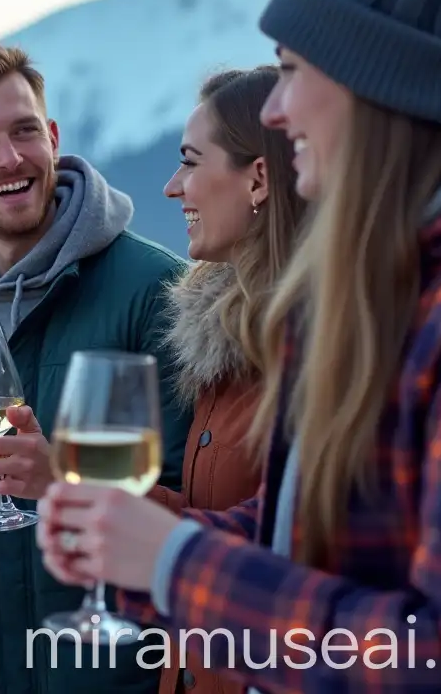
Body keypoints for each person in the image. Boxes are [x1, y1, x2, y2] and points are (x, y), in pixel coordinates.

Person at [37, 0, 441, 692]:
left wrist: (177, 566)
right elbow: (301, 539)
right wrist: (139, 545)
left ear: (380, 86)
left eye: (294, 70)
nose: (274, 106)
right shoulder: (389, 287)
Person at [0, 36, 193, 694]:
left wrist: (63, 484)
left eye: (25, 132)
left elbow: (197, 505)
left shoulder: (155, 291)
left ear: (52, 136)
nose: (10, 158)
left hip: (96, 679)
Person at [143, 65, 307, 694]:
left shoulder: (309, 346)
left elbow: (279, 550)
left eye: (189, 162)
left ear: (258, 178)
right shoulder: (225, 336)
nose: (171, 187)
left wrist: (115, 504)